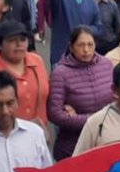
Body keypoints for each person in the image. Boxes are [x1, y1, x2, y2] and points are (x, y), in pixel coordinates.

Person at [47, 26, 115, 159]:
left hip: (105, 141)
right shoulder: (60, 73)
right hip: (74, 146)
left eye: (90, 45)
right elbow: (55, 114)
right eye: (81, 45)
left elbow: (117, 99)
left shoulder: (107, 65)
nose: (86, 50)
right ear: (71, 47)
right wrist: (91, 120)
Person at [0, 21, 50, 129]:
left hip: (38, 133)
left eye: (23, 39)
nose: (19, 44)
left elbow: (50, 96)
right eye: (12, 40)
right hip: (0, 135)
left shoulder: (37, 61)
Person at [46, 0, 104, 66]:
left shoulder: (90, 1)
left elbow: (99, 28)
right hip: (61, 57)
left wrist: (83, 30)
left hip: (84, 55)